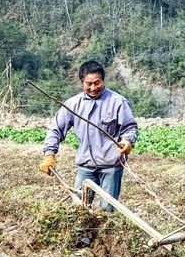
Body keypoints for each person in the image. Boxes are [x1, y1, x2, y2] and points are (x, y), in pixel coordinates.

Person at [39, 60, 138, 211]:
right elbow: (55, 130)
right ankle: (84, 236)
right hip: (86, 166)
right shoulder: (72, 104)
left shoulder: (117, 102)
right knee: (80, 210)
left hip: (111, 165)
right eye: (88, 84)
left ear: (103, 80)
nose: (93, 88)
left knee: (107, 210)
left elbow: (130, 128)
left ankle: (105, 234)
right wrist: (49, 154)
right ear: (82, 82)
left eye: (97, 83)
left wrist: (127, 141)